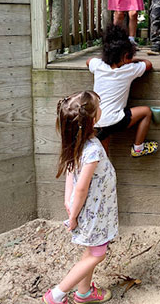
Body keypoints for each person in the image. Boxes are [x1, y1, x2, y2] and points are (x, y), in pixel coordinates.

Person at [42, 90, 117, 304]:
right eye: (99, 106)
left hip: (90, 208)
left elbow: (70, 172)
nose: (101, 109)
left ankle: (83, 293)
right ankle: (56, 295)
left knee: (92, 250)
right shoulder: (92, 150)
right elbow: (82, 188)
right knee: (98, 254)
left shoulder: (76, 142)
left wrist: (69, 200)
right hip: (93, 211)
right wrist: (73, 214)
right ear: (92, 119)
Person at [87, 24, 158, 157]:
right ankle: (138, 148)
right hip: (116, 121)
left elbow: (88, 61)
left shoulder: (98, 65)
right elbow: (148, 64)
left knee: (104, 152)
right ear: (125, 57)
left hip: (96, 121)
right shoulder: (129, 69)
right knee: (146, 112)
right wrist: (135, 61)